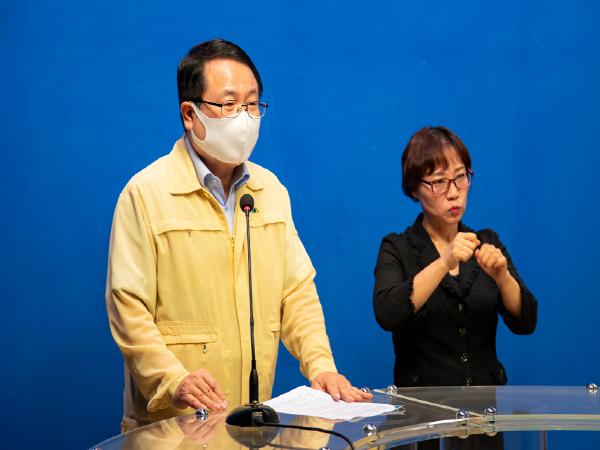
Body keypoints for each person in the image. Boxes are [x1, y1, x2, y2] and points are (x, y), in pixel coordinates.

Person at [106, 39, 371, 431]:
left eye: (252, 104)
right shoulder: (146, 194)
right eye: (229, 105)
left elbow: (296, 293)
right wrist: (173, 379)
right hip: (172, 425)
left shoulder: (270, 191)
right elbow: (128, 309)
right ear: (190, 114)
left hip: (249, 422)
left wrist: (321, 366)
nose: (245, 118)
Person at [373, 126, 537, 389]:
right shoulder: (397, 247)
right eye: (439, 182)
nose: (453, 192)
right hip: (423, 409)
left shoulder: (486, 242)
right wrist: (444, 263)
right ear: (414, 189)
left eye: (460, 177)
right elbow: (387, 313)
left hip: (485, 407)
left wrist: (503, 277)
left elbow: (526, 322)